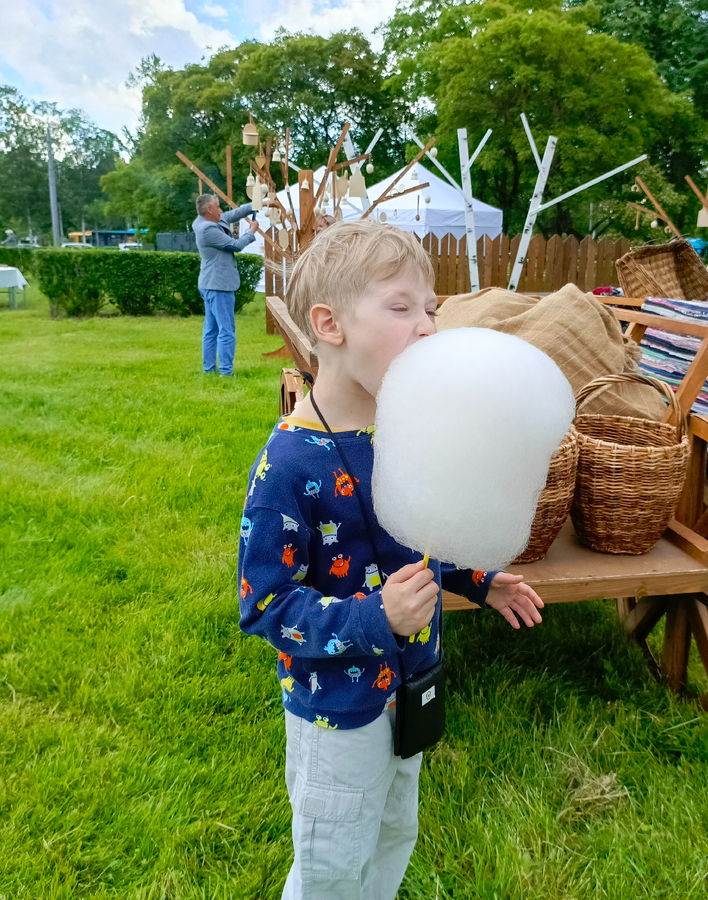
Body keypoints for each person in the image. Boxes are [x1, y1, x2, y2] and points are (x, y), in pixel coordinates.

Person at [238, 220, 545, 900]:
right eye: (403, 307)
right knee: (333, 862)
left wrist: (477, 581)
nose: (429, 327)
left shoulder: (403, 430)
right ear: (330, 324)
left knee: (391, 835)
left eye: (432, 309)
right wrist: (376, 618)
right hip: (338, 711)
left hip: (410, 688)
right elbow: (263, 606)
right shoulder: (289, 463)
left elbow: (417, 536)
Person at [193, 193, 257, 375]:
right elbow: (235, 245)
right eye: (218, 206)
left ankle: (209, 370)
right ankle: (226, 373)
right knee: (226, 329)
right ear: (209, 210)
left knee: (211, 329)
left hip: (210, 283)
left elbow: (234, 214)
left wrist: (259, 203)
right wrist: (251, 231)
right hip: (219, 285)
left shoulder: (209, 220)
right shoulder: (207, 229)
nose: (222, 210)